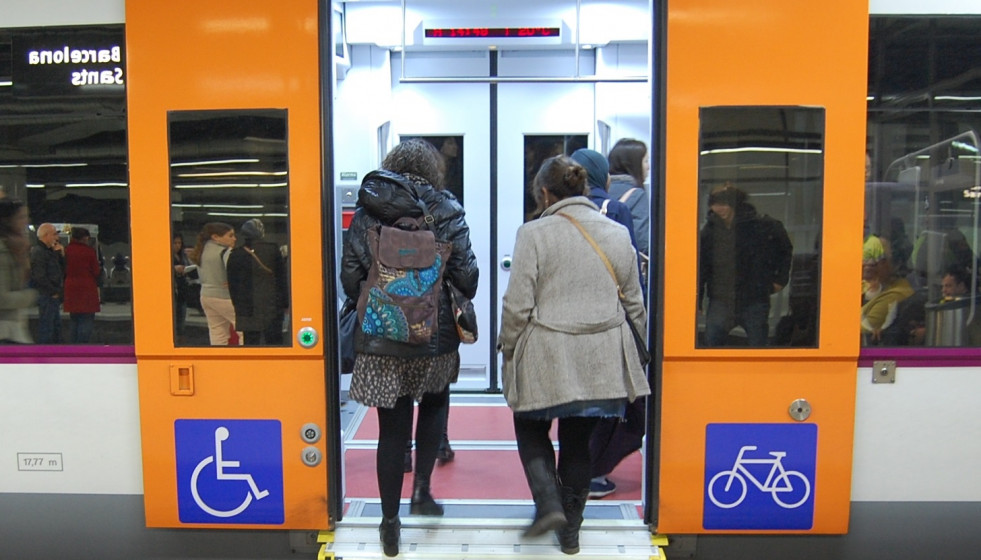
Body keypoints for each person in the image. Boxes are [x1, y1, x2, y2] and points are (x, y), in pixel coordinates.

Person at [498, 155, 650, 555]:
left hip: (545, 352)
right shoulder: (617, 234)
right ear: (583, 188)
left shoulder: (533, 233)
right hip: (601, 356)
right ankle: (571, 534)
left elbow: (518, 304)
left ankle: (547, 504)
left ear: (545, 193)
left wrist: (508, 345)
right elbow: (634, 304)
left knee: (529, 426)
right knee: (578, 443)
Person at [340, 139, 478, 558]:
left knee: (390, 430)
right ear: (433, 170)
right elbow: (468, 277)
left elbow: (350, 278)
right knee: (435, 406)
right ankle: (422, 492)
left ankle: (389, 523)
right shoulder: (448, 209)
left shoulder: (368, 211)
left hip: (383, 335)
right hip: (435, 336)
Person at [698, 182, 793, 347]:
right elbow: (701, 266)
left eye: (723, 203)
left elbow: (784, 250)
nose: (718, 208)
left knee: (758, 346)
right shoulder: (709, 231)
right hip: (720, 298)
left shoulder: (762, 226)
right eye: (714, 204)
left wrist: (780, 279)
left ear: (734, 204)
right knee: (711, 345)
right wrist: (697, 298)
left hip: (754, 297)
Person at [226, 219, 288, 345]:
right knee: (274, 342)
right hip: (271, 305)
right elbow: (281, 279)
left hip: (247, 306)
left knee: (251, 342)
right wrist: (285, 302)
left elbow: (233, 284)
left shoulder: (236, 254)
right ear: (262, 233)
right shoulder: (272, 250)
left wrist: (237, 305)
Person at [190, 222, 239, 346]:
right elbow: (234, 272)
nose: (234, 238)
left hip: (206, 296)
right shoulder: (226, 252)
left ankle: (219, 362)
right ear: (215, 237)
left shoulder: (201, 251)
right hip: (225, 296)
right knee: (243, 330)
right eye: (230, 235)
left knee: (217, 333)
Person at [861, 235, 914, 345]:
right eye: (866, 255)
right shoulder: (867, 287)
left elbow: (852, 331)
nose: (869, 263)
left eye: (878, 258)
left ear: (894, 264)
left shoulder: (897, 292)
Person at [0, 199, 38, 344]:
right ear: (7, 220)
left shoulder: (16, 248)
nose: (26, 221)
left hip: (13, 329)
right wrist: (30, 296)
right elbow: (2, 298)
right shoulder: (3, 252)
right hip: (5, 332)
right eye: (21, 217)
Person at [606, 138, 651, 260]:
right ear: (634, 164)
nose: (649, 167)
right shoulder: (637, 195)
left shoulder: (598, 191)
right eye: (646, 161)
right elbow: (641, 241)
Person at [62, 227, 101, 343]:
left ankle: (73, 346)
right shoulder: (89, 252)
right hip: (86, 288)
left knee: (74, 318)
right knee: (87, 318)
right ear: (84, 238)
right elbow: (96, 271)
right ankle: (83, 345)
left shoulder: (66, 250)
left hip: (70, 288)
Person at [30, 223, 65, 343]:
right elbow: (39, 276)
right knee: (47, 328)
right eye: (54, 234)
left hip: (53, 295)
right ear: (46, 235)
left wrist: (60, 255)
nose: (57, 238)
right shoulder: (39, 252)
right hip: (47, 295)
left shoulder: (50, 252)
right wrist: (54, 291)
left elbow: (62, 270)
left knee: (55, 328)